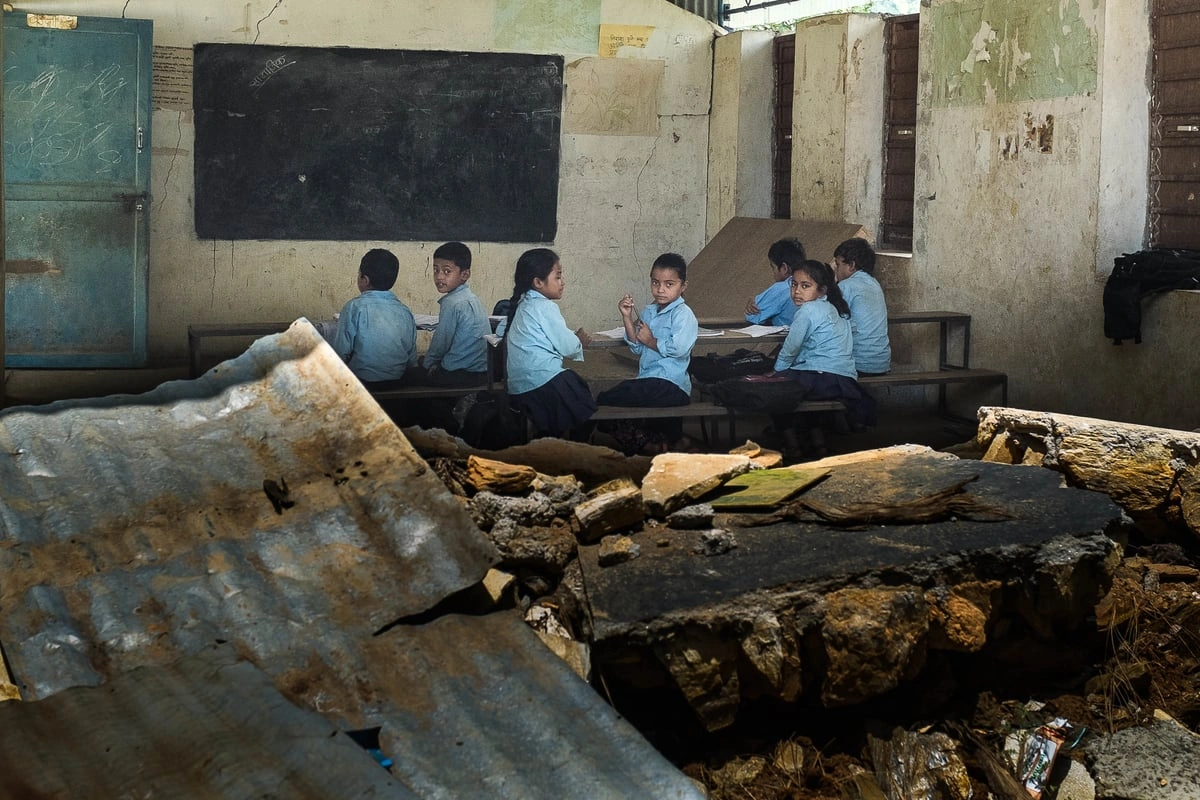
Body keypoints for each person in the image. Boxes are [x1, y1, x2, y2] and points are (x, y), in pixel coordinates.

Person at [714, 260, 874, 458]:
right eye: (794, 285)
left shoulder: (808, 310)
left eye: (805, 286)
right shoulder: (833, 309)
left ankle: (792, 445)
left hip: (821, 378)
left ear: (822, 290)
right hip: (842, 381)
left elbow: (791, 348)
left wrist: (778, 372)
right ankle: (819, 444)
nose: (797, 291)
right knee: (795, 395)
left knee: (777, 394)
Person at [595, 253, 699, 454]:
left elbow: (679, 349)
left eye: (669, 284)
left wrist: (651, 340)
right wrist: (627, 317)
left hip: (671, 385)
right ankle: (661, 443)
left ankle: (650, 444)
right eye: (655, 282)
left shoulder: (683, 314)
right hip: (650, 381)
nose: (660, 289)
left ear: (683, 286)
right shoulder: (650, 312)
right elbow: (637, 346)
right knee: (609, 401)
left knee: (606, 400)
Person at [503, 248, 596, 438]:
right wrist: (579, 341)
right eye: (558, 276)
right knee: (584, 399)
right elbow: (567, 346)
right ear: (538, 282)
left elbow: (502, 331)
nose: (563, 282)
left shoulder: (523, 304)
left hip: (520, 389)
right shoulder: (545, 307)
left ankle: (552, 440)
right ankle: (577, 446)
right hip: (542, 385)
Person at [407, 241, 490, 387]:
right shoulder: (471, 298)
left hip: (459, 374)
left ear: (464, 275)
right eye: (435, 270)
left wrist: (426, 365)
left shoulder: (452, 303)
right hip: (481, 371)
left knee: (409, 376)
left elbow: (441, 344)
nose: (439, 277)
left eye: (446, 271)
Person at [330, 248, 416, 386]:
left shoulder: (354, 307)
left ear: (365, 280)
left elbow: (340, 353)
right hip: (397, 382)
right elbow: (411, 359)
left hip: (363, 382)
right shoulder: (404, 311)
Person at [832, 237, 891, 375]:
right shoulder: (875, 284)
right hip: (881, 362)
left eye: (838, 265)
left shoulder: (846, 286)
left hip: (858, 364)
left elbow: (830, 320)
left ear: (851, 265)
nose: (836, 270)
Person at [744, 237, 806, 327]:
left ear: (784, 268)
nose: (773, 273)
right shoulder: (813, 286)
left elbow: (752, 316)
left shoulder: (781, 288)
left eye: (773, 267)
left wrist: (754, 303)